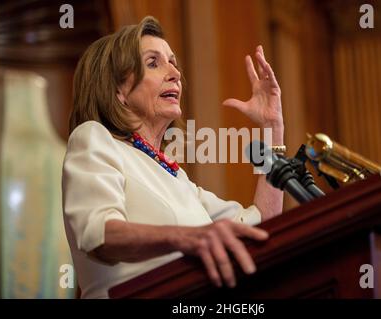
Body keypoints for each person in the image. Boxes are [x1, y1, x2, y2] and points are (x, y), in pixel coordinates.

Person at [62, 16, 285, 299]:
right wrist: (186, 238)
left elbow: (261, 225)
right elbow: (100, 235)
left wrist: (272, 128)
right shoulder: (94, 138)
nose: (175, 73)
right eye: (153, 63)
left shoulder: (176, 176)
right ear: (118, 89)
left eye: (173, 62)